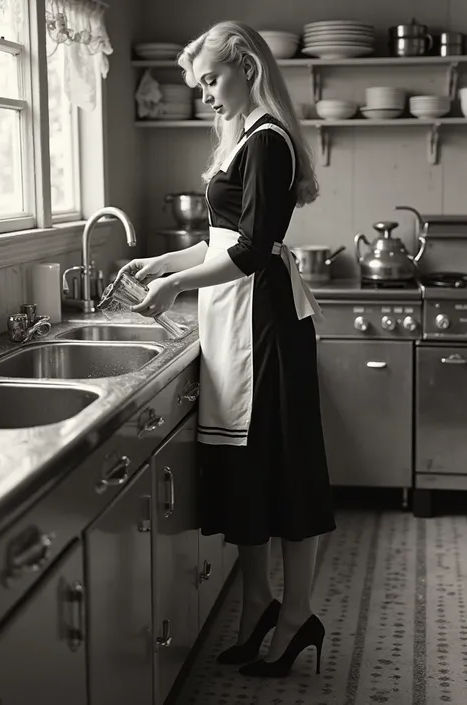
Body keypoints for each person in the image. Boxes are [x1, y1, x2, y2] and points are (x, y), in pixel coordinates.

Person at [119, 19, 337, 678]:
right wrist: (162, 262)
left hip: (265, 327)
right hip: (237, 323)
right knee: (250, 473)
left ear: (246, 65)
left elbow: (248, 251)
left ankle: (295, 612)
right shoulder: (242, 138)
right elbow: (220, 239)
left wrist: (177, 284)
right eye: (200, 84)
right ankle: (258, 603)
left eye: (210, 79)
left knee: (285, 472)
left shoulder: (269, 142)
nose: (206, 94)